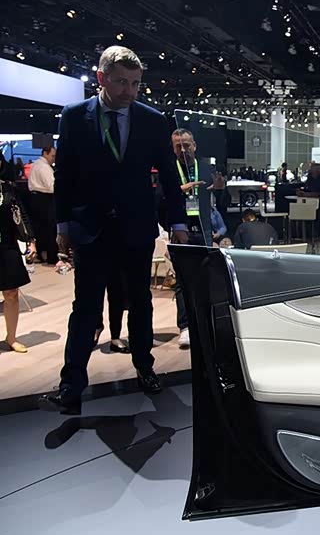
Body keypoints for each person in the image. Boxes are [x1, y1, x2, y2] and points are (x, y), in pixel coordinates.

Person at [38, 46, 188, 416]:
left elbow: (170, 178)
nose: (129, 91)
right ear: (102, 78)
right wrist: (62, 225)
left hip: (136, 226)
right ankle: (71, 386)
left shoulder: (152, 120)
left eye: (135, 83)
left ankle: (145, 368)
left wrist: (178, 223)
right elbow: (65, 176)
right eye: (121, 82)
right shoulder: (75, 117)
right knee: (85, 307)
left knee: (140, 301)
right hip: (91, 228)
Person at [169, 128, 226, 348]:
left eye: (186, 145)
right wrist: (180, 189)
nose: (183, 150)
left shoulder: (205, 168)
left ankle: (205, 322)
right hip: (180, 230)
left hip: (203, 229)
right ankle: (185, 326)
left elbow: (213, 195)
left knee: (206, 277)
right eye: (178, 146)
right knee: (182, 281)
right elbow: (160, 198)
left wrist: (218, 188)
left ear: (194, 145)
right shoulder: (169, 169)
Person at [0, 150, 33, 353]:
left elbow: (22, 215)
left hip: (7, 246)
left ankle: (11, 337)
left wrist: (31, 241)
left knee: (11, 293)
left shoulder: (8, 188)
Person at [28, 146, 58, 264]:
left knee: (39, 229)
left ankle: (41, 254)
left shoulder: (35, 164)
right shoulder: (44, 167)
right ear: (45, 153)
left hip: (34, 199)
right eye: (52, 156)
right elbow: (52, 187)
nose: (53, 159)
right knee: (50, 229)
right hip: (44, 199)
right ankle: (51, 256)